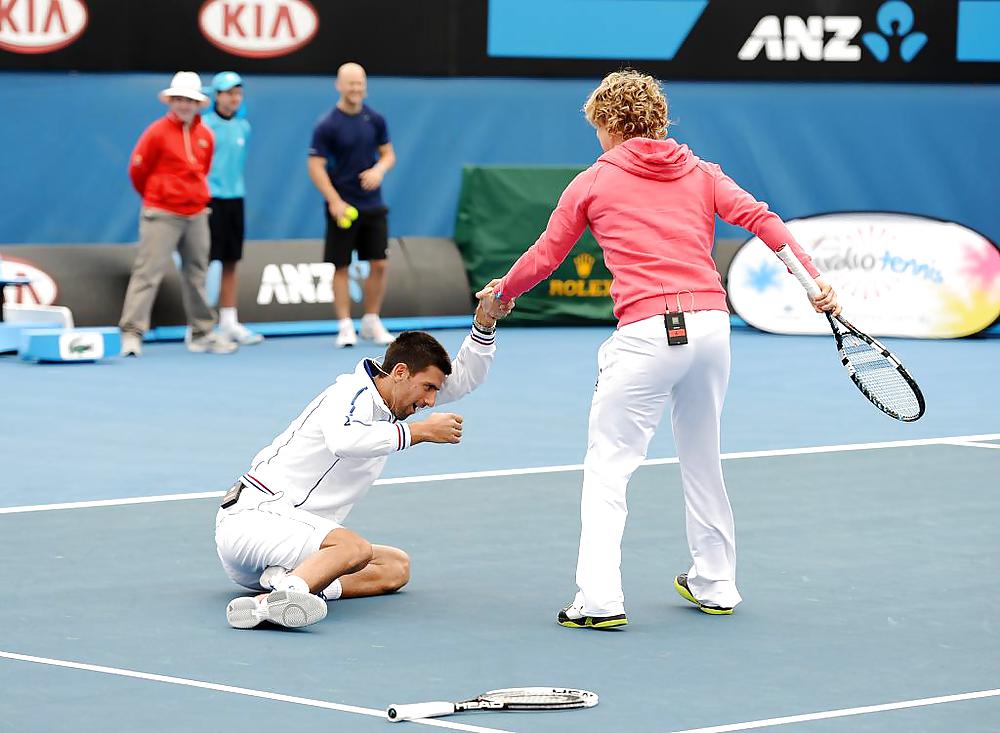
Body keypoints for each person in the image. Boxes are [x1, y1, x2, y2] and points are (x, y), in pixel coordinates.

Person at [484, 70, 840, 629]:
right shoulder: (702, 173)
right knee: (703, 455)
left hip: (648, 333)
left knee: (608, 469)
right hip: (711, 329)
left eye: (597, 126)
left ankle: (599, 600)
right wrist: (811, 281)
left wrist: (502, 293)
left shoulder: (593, 181)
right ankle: (717, 581)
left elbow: (547, 255)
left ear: (608, 123)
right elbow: (763, 219)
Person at [216, 289, 513, 629]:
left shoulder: (394, 399)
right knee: (353, 547)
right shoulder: (350, 392)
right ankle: (288, 593)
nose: (431, 401)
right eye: (428, 388)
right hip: (254, 520)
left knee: (394, 567)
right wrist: (418, 433)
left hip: (296, 542)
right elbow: (345, 441)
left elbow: (463, 380)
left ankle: (279, 588)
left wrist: (485, 321)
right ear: (400, 372)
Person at [119, 71, 237, 357]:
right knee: (148, 273)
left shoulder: (205, 136)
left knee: (197, 274)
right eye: (179, 99)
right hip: (161, 213)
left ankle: (202, 333)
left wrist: (191, 196)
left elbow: (203, 170)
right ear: (171, 101)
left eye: (189, 100)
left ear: (198, 104)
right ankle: (132, 333)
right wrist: (157, 197)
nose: (184, 105)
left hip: (196, 214)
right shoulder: (156, 132)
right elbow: (138, 170)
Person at [307, 62, 397, 348]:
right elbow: (315, 166)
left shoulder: (376, 120)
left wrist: (378, 170)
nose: (356, 89)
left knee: (379, 264)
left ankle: (371, 321)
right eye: (350, 84)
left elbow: (388, 154)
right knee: (341, 266)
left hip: (373, 205)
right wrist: (334, 200)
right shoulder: (327, 125)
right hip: (343, 206)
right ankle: (345, 326)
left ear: (365, 86)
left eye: (360, 84)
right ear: (339, 85)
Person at [202, 71, 263, 346]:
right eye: (228, 93)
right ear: (216, 96)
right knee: (203, 262)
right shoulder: (203, 126)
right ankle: (201, 324)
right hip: (208, 199)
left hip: (235, 199)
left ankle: (228, 321)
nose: (234, 98)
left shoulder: (244, 127)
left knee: (231, 261)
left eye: (238, 93)